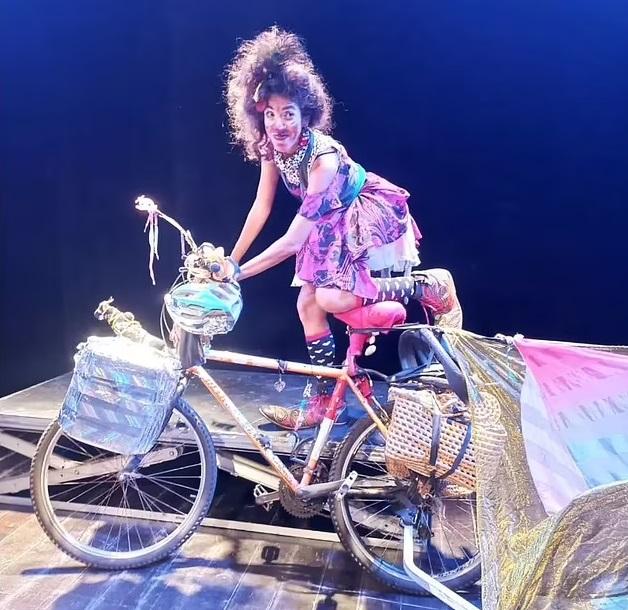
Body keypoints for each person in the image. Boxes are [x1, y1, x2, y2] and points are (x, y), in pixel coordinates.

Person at [221, 27, 460, 430]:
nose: (278, 124)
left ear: (305, 114)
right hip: (328, 222)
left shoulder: (323, 159)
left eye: (288, 113)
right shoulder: (272, 149)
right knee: (307, 305)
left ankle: (426, 286)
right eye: (270, 114)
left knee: (330, 298)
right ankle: (325, 400)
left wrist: (239, 275)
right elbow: (261, 207)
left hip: (362, 215)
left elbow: (293, 241)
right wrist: (231, 259)